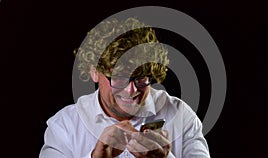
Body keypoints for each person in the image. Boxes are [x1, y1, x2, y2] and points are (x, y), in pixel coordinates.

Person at [39, 17, 210, 158]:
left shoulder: (180, 115)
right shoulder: (65, 126)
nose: (131, 91)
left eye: (140, 78)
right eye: (119, 78)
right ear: (94, 72)